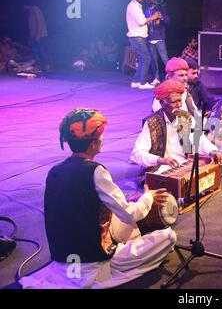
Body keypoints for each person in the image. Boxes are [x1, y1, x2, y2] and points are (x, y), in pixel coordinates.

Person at [19, 109, 176, 289]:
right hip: (90, 264)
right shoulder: (95, 171)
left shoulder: (55, 171)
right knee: (168, 236)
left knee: (120, 223)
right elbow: (129, 214)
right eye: (101, 137)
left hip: (64, 258)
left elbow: (82, 203)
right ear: (94, 143)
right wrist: (148, 197)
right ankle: (103, 273)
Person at [131, 79, 222, 174]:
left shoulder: (186, 117)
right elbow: (137, 153)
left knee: (220, 164)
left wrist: (212, 151)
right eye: (174, 102)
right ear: (162, 103)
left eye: (180, 101)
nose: (179, 105)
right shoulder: (152, 122)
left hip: (184, 162)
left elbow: (200, 140)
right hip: (162, 167)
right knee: (164, 177)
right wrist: (161, 160)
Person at [126, 0, 159, 90]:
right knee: (146, 58)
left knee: (142, 59)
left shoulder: (135, 6)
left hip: (138, 36)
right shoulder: (133, 6)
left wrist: (148, 21)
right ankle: (142, 82)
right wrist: (153, 17)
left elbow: (141, 21)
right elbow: (141, 21)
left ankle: (136, 81)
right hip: (137, 37)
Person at [144, 0, 170, 87]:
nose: (150, 0)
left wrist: (162, 17)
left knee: (165, 59)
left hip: (159, 38)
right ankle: (156, 78)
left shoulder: (161, 9)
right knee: (153, 60)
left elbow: (168, 22)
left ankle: (172, 77)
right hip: (150, 38)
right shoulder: (146, 10)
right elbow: (144, 22)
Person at [23, 0, 50, 72]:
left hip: (39, 35)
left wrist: (38, 35)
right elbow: (31, 26)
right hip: (34, 36)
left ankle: (46, 66)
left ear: (26, 5)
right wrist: (31, 37)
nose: (24, 8)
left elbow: (39, 22)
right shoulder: (31, 11)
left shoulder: (35, 9)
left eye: (24, 6)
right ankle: (39, 66)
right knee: (36, 51)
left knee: (41, 51)